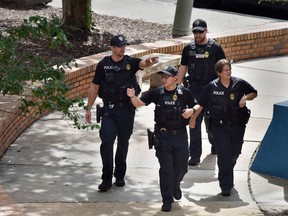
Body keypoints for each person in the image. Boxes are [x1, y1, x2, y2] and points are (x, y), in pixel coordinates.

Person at [85, 34, 158, 192]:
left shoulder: (129, 62)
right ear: (112, 47)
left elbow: (142, 63)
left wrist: (149, 61)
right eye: (120, 46)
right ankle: (106, 178)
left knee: (123, 143)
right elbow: (94, 87)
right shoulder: (103, 65)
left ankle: (119, 175)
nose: (123, 48)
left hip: (126, 110)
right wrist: (89, 107)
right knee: (107, 142)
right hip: (109, 110)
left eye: (124, 45)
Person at [127, 66, 197, 212]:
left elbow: (197, 105)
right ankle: (167, 199)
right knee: (166, 169)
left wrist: (192, 112)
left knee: (182, 167)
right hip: (162, 136)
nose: (164, 79)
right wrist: (132, 96)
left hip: (180, 136)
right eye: (162, 77)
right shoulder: (157, 93)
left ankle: (175, 185)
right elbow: (139, 103)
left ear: (175, 78)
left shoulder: (184, 93)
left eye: (167, 77)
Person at [186, 59, 257, 196]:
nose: (229, 72)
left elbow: (254, 92)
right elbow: (201, 104)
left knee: (235, 153)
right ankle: (226, 185)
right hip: (220, 127)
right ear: (219, 73)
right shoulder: (212, 87)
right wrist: (193, 118)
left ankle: (227, 171)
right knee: (224, 154)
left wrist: (245, 98)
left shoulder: (239, 83)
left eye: (230, 69)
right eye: (226, 70)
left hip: (237, 126)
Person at [177, 18, 226, 166]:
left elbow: (223, 69)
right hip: (194, 90)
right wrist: (177, 87)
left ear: (206, 30)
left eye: (200, 31)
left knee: (212, 121)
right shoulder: (188, 49)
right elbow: (182, 68)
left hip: (211, 89)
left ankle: (215, 143)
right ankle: (194, 155)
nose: (197, 35)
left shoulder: (216, 48)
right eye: (195, 32)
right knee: (194, 121)